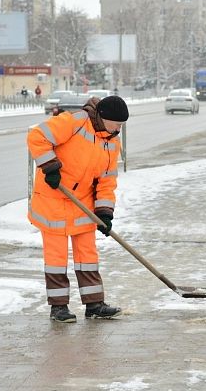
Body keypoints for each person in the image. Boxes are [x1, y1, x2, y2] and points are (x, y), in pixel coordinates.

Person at [26, 95, 129, 323]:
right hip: (54, 197)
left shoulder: (112, 141)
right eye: (117, 124)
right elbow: (37, 136)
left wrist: (104, 211)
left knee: (87, 256)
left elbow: (107, 179)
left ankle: (94, 304)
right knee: (56, 258)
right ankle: (59, 307)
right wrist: (50, 166)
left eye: (121, 125)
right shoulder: (74, 122)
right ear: (103, 117)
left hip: (82, 202)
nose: (119, 129)